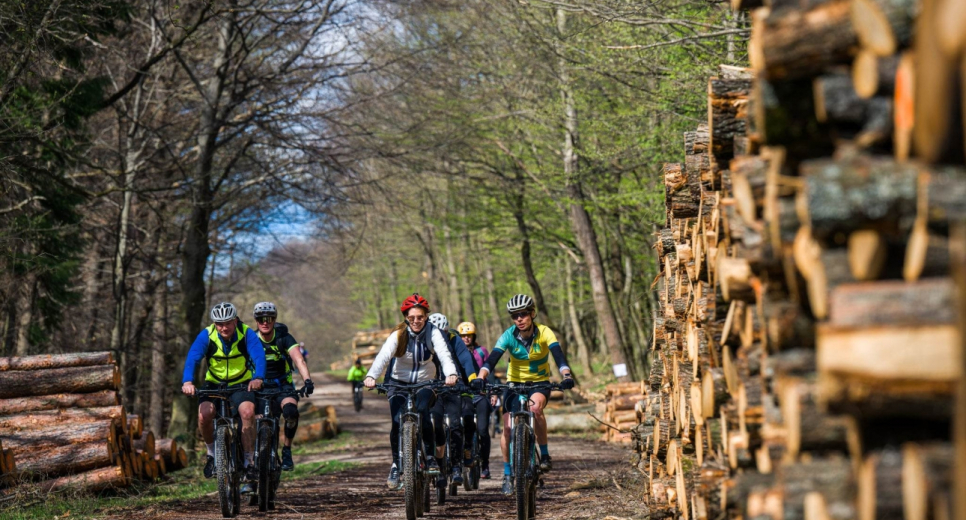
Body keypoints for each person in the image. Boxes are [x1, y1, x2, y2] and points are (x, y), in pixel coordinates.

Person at [474, 294, 575, 496]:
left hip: (539, 383)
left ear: (532, 314)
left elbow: (558, 356)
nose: (519, 319)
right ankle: (507, 473)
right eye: (514, 316)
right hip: (514, 384)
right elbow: (492, 359)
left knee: (535, 409)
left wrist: (566, 374)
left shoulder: (545, 332)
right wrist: (481, 376)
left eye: (522, 314)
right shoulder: (508, 335)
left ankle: (544, 455)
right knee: (508, 428)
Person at [363, 294, 459, 490]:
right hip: (398, 382)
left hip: (426, 383)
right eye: (412, 317)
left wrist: (450, 374)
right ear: (406, 316)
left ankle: (430, 457)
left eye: (421, 317)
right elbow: (383, 356)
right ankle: (396, 465)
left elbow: (445, 355)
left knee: (423, 410)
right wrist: (372, 375)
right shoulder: (398, 335)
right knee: (397, 421)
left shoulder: (434, 333)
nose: (416, 321)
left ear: (426, 317)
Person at [182, 302, 266, 494]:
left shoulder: (246, 333)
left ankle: (249, 461)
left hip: (241, 383)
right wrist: (188, 381)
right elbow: (193, 357)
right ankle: (212, 454)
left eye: (227, 323)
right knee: (204, 414)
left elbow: (258, 355)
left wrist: (258, 377)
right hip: (214, 383)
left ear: (235, 321)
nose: (224, 327)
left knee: (247, 412)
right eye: (219, 324)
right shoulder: (207, 335)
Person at [252, 302, 314, 472]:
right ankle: (247, 462)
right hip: (258, 387)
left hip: (282, 385)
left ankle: (286, 449)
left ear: (274, 320)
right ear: (256, 321)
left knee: (291, 413)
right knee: (245, 417)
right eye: (261, 319)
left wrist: (307, 380)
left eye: (269, 318)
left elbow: (298, 359)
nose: (265, 322)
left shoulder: (284, 337)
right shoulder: (250, 339)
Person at [426, 313, 479, 487]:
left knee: (456, 424)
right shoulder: (425, 341)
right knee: (435, 423)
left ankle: (456, 466)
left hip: (453, 387)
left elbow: (466, 360)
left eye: (443, 332)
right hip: (434, 389)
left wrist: (471, 379)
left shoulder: (455, 340)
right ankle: (439, 467)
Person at [457, 321, 493, 479]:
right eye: (463, 336)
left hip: (481, 394)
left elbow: (489, 371)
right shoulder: (455, 351)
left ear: (473, 336)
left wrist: (492, 392)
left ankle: (485, 463)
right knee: (463, 425)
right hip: (463, 394)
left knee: (483, 430)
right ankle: (466, 452)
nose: (466, 338)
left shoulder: (482, 351)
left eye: (468, 335)